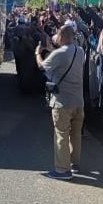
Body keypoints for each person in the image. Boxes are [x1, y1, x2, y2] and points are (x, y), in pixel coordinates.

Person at [37, 24, 86, 181]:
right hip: (78, 101)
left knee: (61, 135)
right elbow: (64, 59)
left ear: (61, 36)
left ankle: (62, 170)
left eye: (57, 34)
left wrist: (38, 54)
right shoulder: (80, 51)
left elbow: (42, 66)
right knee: (76, 134)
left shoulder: (59, 53)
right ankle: (74, 163)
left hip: (63, 102)